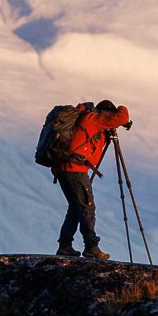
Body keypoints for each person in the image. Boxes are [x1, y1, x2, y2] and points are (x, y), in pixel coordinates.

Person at [50, 98, 131, 261]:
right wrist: (120, 110)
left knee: (75, 207)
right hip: (75, 169)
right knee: (87, 207)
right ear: (106, 112)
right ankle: (91, 247)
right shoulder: (94, 118)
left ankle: (65, 246)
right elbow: (122, 117)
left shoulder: (86, 118)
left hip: (63, 167)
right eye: (110, 117)